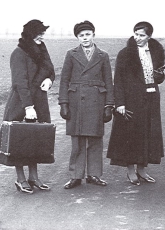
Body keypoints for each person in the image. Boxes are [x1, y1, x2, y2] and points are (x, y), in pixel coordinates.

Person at [0, 19, 55, 194]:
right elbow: (19, 83)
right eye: (39, 33)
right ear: (30, 34)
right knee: (20, 140)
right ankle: (21, 179)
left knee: (36, 139)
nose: (42, 36)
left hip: (39, 100)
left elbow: (50, 70)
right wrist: (28, 107)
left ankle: (34, 177)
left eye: (43, 33)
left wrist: (49, 80)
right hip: (22, 102)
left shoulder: (42, 50)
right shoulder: (18, 53)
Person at [107, 21, 165, 185]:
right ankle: (131, 171)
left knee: (147, 134)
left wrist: (159, 74)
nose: (138, 38)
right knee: (131, 135)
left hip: (151, 99)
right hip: (131, 100)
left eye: (142, 35)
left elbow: (159, 78)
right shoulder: (125, 54)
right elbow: (118, 80)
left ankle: (142, 170)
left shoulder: (155, 52)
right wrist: (120, 103)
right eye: (136, 34)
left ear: (149, 36)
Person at [58, 20, 114, 189]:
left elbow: (109, 82)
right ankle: (76, 176)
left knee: (96, 139)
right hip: (76, 101)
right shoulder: (71, 54)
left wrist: (109, 105)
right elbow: (64, 80)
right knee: (78, 140)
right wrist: (64, 103)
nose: (85, 38)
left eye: (88, 34)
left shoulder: (102, 55)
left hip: (97, 100)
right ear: (77, 38)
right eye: (81, 35)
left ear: (93, 35)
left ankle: (94, 174)